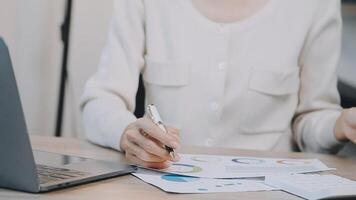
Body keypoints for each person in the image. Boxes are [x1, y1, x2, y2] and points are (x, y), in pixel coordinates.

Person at [80, 0, 356, 169]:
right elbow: (100, 101)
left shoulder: (315, 6)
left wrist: (340, 125)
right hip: (165, 185)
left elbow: (310, 120)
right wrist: (126, 132)